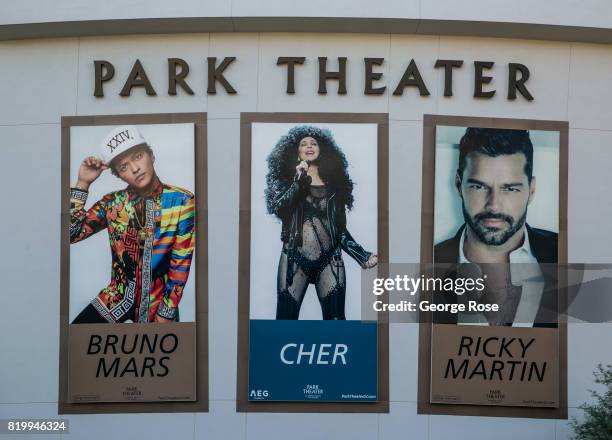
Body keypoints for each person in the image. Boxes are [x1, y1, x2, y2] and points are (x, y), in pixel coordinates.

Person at [70, 125, 195, 324]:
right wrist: (83, 182)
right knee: (77, 341)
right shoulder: (113, 203)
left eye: (138, 156)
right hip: (116, 297)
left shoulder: (181, 200)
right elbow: (71, 234)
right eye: (123, 167)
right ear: (119, 176)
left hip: (159, 303)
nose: (135, 169)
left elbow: (181, 262)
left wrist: (167, 311)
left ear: (151, 156)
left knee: (160, 354)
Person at [434, 127, 558, 327]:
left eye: (510, 189)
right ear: (458, 185)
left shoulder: (566, 253)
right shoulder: (426, 264)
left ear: (531, 190)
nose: (494, 205)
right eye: (479, 186)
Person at [265, 126, 378, 320]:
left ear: (322, 150)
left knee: (335, 324)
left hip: (330, 260)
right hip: (294, 259)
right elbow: (281, 209)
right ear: (296, 152)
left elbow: (339, 230)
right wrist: (299, 180)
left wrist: (362, 256)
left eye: (314, 143)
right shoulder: (290, 181)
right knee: (285, 323)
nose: (309, 146)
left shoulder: (335, 188)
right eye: (303, 144)